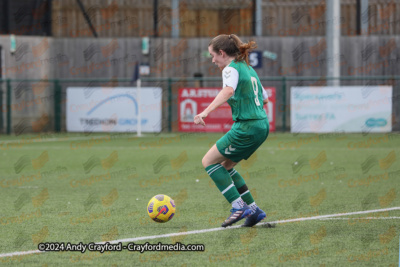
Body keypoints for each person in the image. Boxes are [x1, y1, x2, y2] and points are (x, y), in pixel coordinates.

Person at [194, 34, 270, 228]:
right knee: (225, 166)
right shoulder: (249, 69)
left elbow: (228, 91)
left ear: (222, 53)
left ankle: (239, 206)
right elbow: (265, 99)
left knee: (208, 162)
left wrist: (205, 111)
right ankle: (253, 211)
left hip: (247, 127)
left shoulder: (230, 69)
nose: (212, 60)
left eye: (213, 55)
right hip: (261, 126)